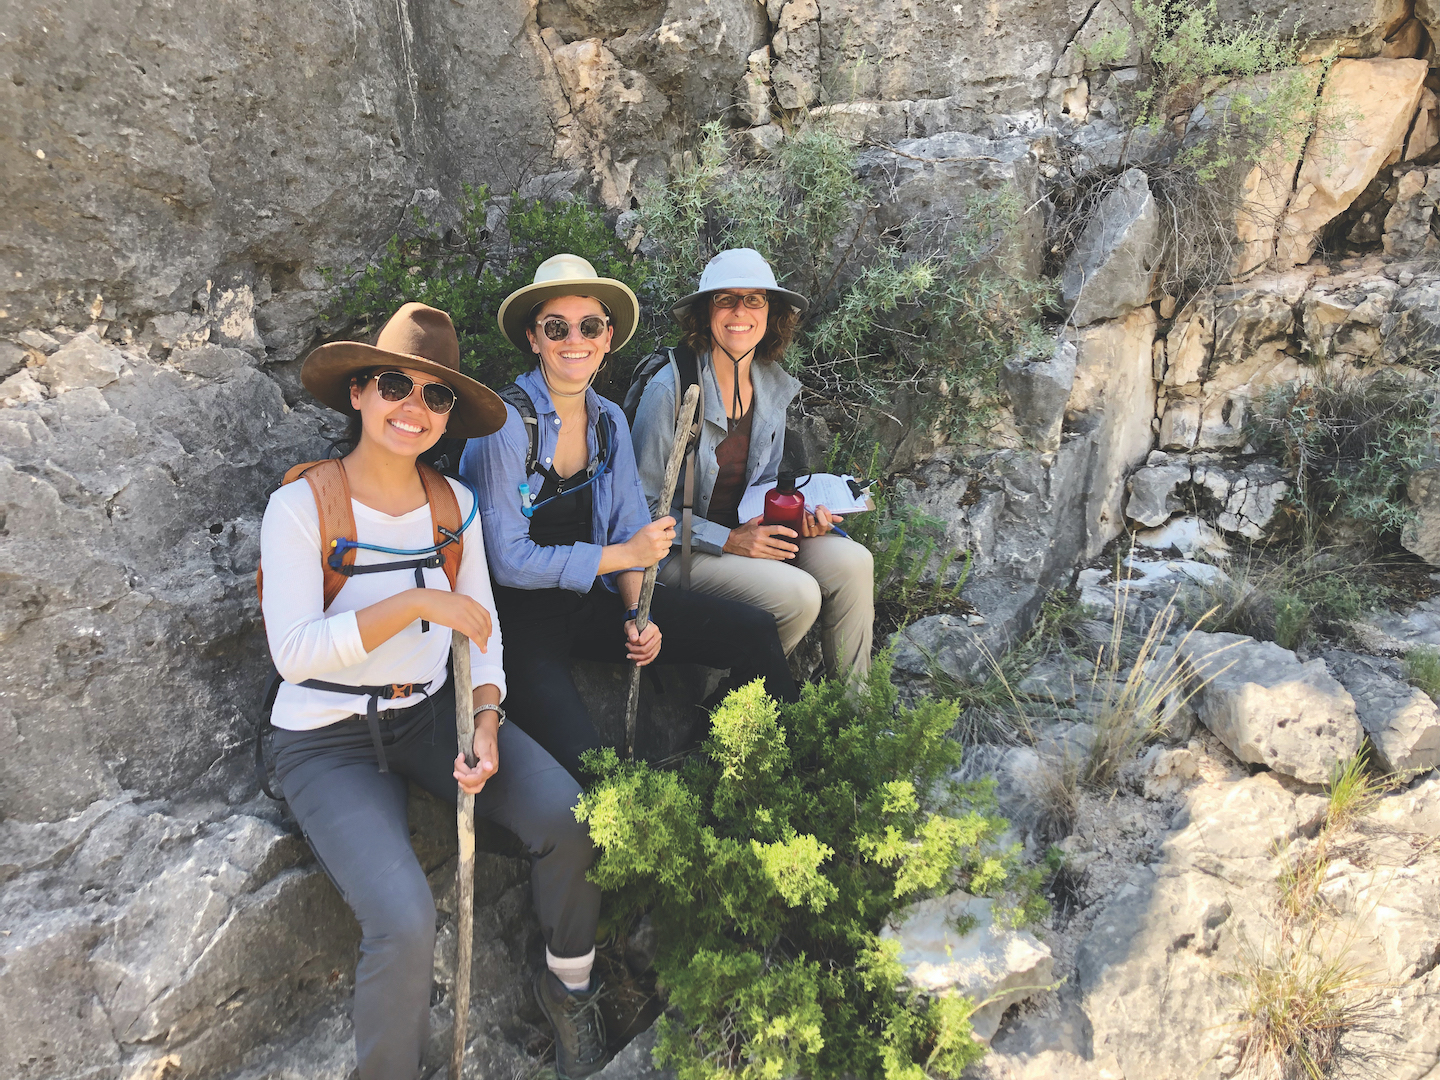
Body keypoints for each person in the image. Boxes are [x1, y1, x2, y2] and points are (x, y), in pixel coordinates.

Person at [259, 303, 608, 1080]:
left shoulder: (456, 505)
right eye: (394, 385)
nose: (413, 409)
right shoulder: (300, 506)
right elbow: (294, 654)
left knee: (569, 818)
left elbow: (481, 632)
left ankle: (571, 986)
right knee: (405, 922)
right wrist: (417, 601)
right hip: (327, 741)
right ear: (359, 393)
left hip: (431, 716)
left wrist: (486, 718)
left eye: (436, 396)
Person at [461, 254, 797, 779]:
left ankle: (721, 768)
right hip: (519, 621)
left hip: (591, 601)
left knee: (755, 633)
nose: (575, 339)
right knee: (595, 770)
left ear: (608, 336)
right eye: (557, 327)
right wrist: (626, 558)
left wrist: (636, 611)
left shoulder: (609, 420)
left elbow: (624, 524)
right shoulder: (503, 425)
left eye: (590, 326)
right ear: (534, 338)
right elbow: (510, 563)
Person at [631, 248, 876, 681]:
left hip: (747, 537)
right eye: (725, 299)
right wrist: (729, 540)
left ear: (771, 313)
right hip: (680, 552)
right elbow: (641, 510)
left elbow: (760, 486)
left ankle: (852, 716)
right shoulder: (671, 391)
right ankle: (735, 715)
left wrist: (794, 518)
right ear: (705, 312)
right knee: (799, 595)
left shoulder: (770, 384)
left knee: (853, 561)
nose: (739, 311)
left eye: (754, 300)